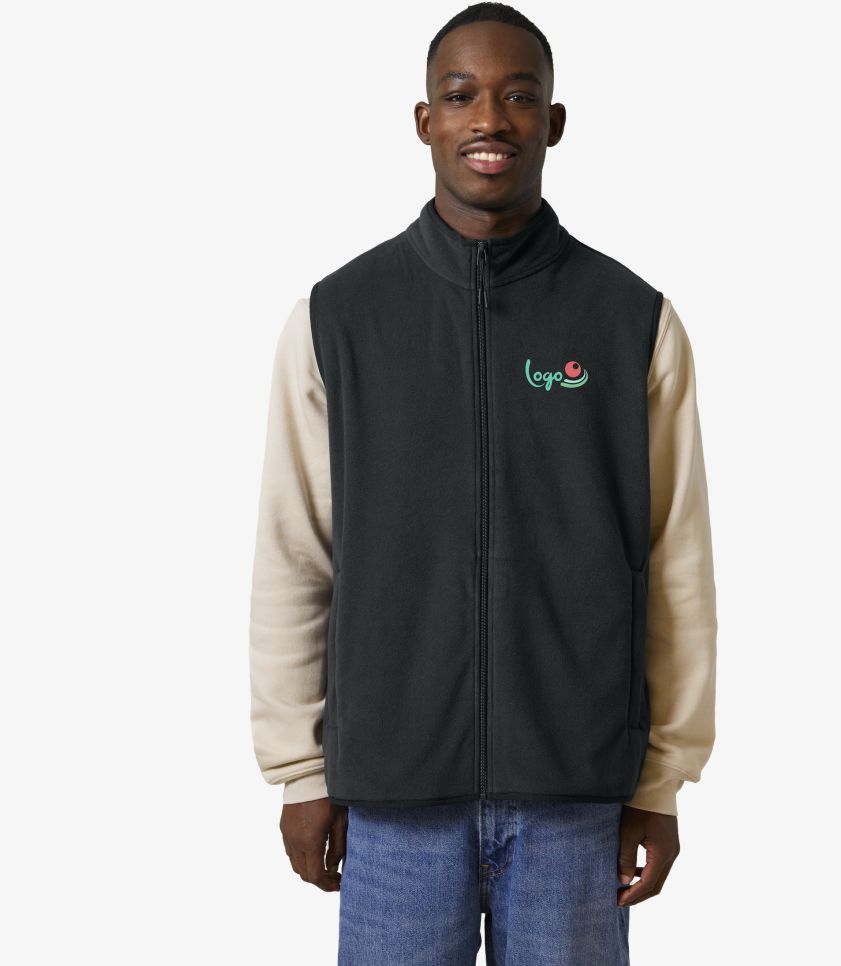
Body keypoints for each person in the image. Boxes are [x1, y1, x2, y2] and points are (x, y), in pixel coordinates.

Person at [249, 3, 717, 963]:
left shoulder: (631, 321)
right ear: (425, 121)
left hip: (575, 798)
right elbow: (296, 556)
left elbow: (676, 560)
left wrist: (661, 780)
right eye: (461, 96)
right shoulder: (339, 318)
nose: (489, 120)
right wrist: (301, 770)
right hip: (394, 801)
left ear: (555, 122)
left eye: (519, 96)